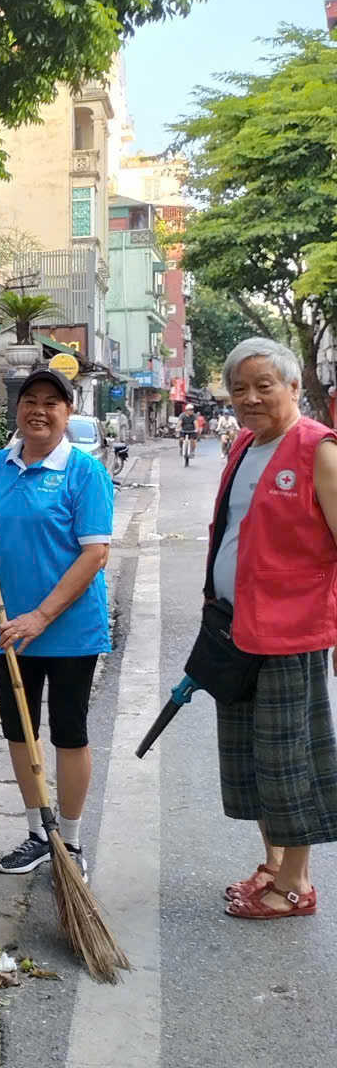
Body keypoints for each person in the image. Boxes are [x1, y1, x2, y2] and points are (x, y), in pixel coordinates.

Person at [0, 368, 113, 880]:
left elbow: (95, 554)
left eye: (52, 402)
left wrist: (41, 616)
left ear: (68, 412)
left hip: (70, 629)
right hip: (10, 628)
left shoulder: (84, 472)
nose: (40, 410)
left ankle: (69, 840)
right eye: (31, 400)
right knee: (19, 731)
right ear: (18, 408)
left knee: (68, 732)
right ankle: (38, 833)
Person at [210, 340, 337, 920]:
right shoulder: (244, 444)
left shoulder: (318, 450)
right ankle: (274, 863)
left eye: (265, 385)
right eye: (240, 388)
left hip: (293, 633)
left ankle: (295, 885)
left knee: (289, 760)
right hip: (235, 629)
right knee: (252, 760)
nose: (251, 398)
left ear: (293, 388)